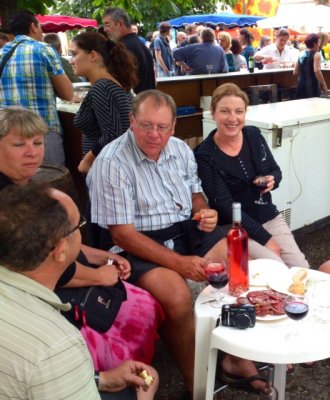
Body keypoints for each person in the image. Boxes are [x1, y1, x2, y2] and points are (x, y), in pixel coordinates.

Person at [87, 89, 269, 398]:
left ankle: (236, 358)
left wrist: (204, 212)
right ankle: (196, 381)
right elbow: (122, 234)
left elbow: (195, 193)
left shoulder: (181, 150)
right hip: (135, 244)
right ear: (131, 121)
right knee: (176, 295)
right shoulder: (112, 162)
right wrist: (180, 264)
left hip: (185, 231)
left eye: (162, 127)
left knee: (239, 258)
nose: (154, 135)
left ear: (174, 126)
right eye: (145, 125)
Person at [0, 106, 164, 376]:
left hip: (64, 275)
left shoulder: (23, 185)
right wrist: (98, 276)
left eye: (38, 142)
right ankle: (118, 381)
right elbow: (39, 267)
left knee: (143, 301)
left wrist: (103, 256)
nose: (32, 152)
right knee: (138, 309)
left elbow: (62, 238)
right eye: (19, 144)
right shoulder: (8, 202)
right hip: (36, 298)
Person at [0, 183, 159, 400]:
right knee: (149, 378)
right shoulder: (57, 344)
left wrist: (100, 379)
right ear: (61, 250)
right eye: (79, 226)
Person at [195, 83, 310, 269]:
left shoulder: (254, 135)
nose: (233, 118)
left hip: (269, 217)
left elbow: (275, 170)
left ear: (245, 114)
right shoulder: (205, 156)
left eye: (239, 111)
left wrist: (273, 180)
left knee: (301, 267)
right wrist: (266, 239)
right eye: (225, 111)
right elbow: (225, 207)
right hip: (237, 227)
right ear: (213, 112)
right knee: (276, 268)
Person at [0, 10, 73, 165]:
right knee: (50, 183)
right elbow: (68, 93)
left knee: (17, 187)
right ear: (33, 27)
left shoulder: (1, 54)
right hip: (41, 133)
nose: (41, 32)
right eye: (40, 27)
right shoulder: (43, 49)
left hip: (8, 137)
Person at [69, 31, 138, 174]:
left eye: (74, 54)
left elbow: (114, 133)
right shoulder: (109, 84)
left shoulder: (103, 87)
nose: (71, 60)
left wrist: (86, 162)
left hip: (105, 169)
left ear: (93, 55)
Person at [102, 7, 155, 93]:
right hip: (146, 101)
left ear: (119, 24)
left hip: (135, 104)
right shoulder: (140, 44)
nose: (105, 30)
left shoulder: (122, 48)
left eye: (108, 25)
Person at [294, 33, 328, 99]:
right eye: (318, 42)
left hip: (301, 84)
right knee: (313, 106)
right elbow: (317, 70)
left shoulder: (301, 53)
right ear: (315, 43)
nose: (319, 45)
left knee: (302, 105)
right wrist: (324, 84)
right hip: (312, 85)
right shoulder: (316, 54)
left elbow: (295, 72)